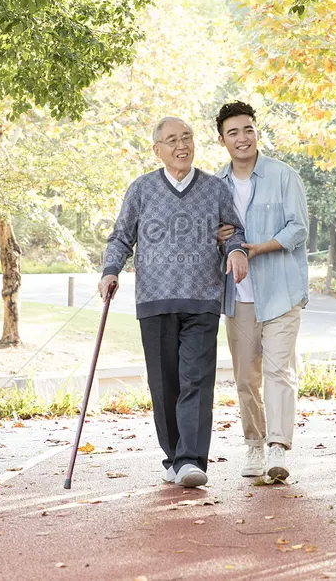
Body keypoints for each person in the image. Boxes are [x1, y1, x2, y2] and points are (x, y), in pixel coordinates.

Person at [100, 117, 249, 488]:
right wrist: (109, 270)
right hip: (155, 298)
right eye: (171, 141)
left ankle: (191, 460)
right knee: (164, 384)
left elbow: (234, 231)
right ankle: (174, 456)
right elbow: (121, 237)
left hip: (202, 297)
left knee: (196, 380)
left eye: (187, 138)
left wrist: (235, 251)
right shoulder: (141, 189)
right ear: (157, 150)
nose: (181, 146)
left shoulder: (214, 189)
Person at [215, 101, 309, 482]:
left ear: (257, 133)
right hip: (238, 296)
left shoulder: (283, 175)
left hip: (281, 290)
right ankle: (254, 444)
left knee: (277, 371)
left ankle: (278, 447)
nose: (243, 138)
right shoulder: (214, 185)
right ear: (221, 139)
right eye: (234, 132)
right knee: (245, 378)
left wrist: (257, 247)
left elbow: (298, 228)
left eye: (248, 130)